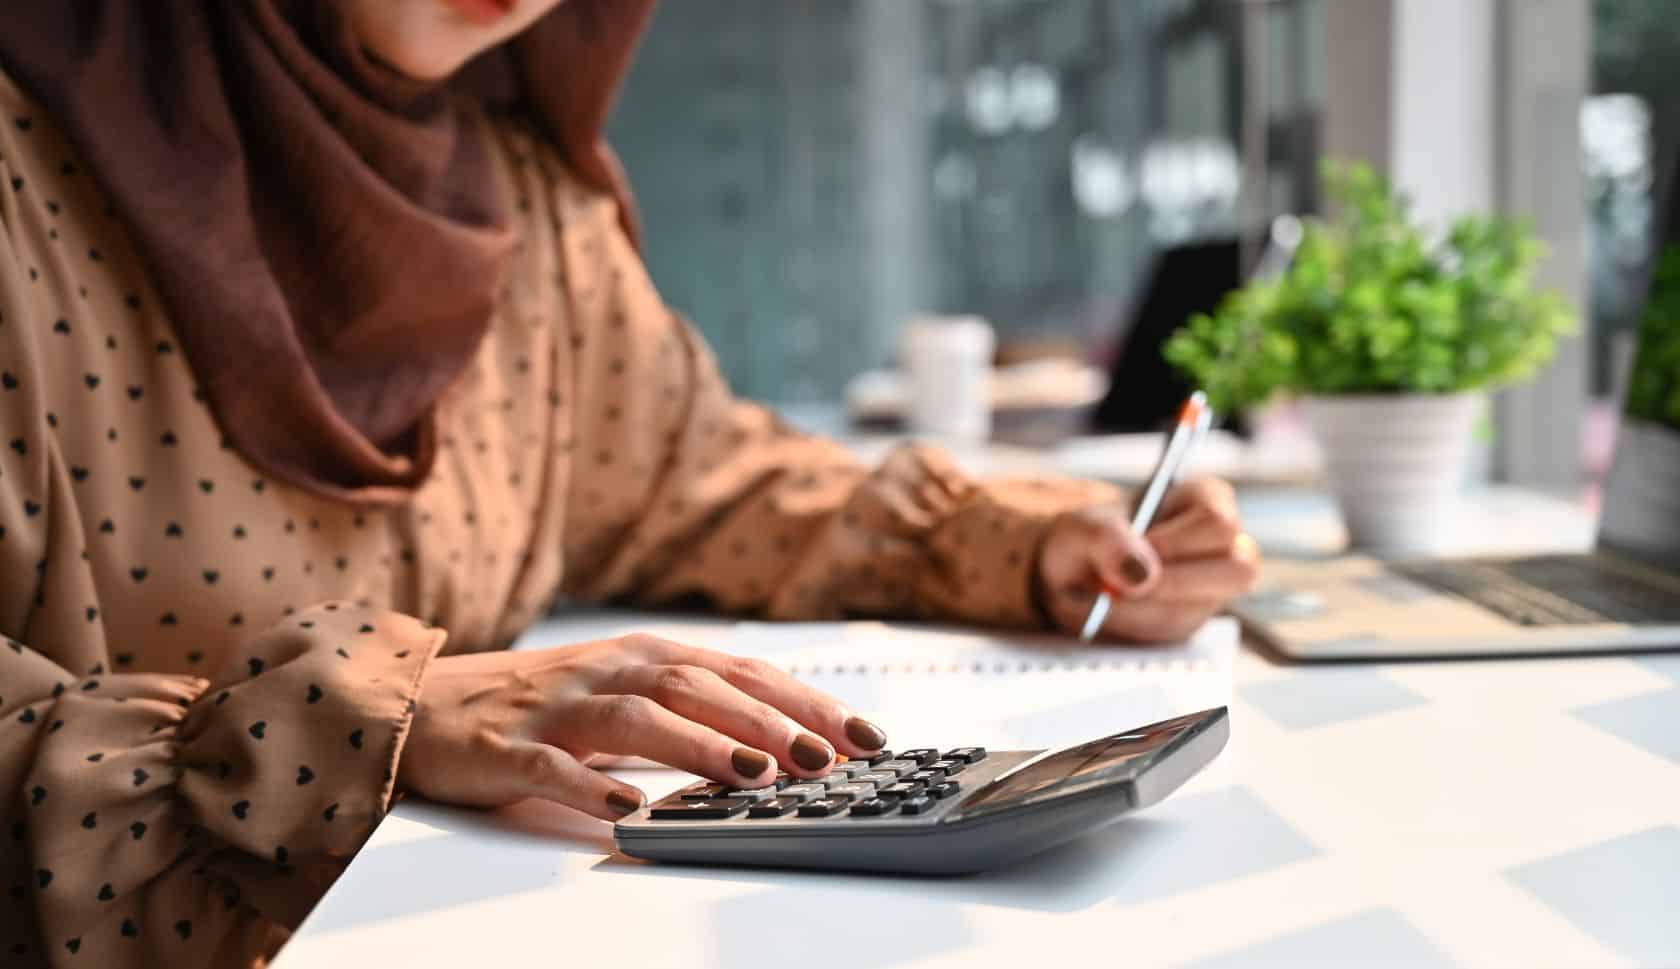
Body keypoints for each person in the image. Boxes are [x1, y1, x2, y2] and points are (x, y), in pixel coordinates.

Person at [0, 2, 1259, 965]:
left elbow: (702, 481)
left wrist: (1033, 545)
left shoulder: (524, 208)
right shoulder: (25, 192)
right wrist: (368, 722)